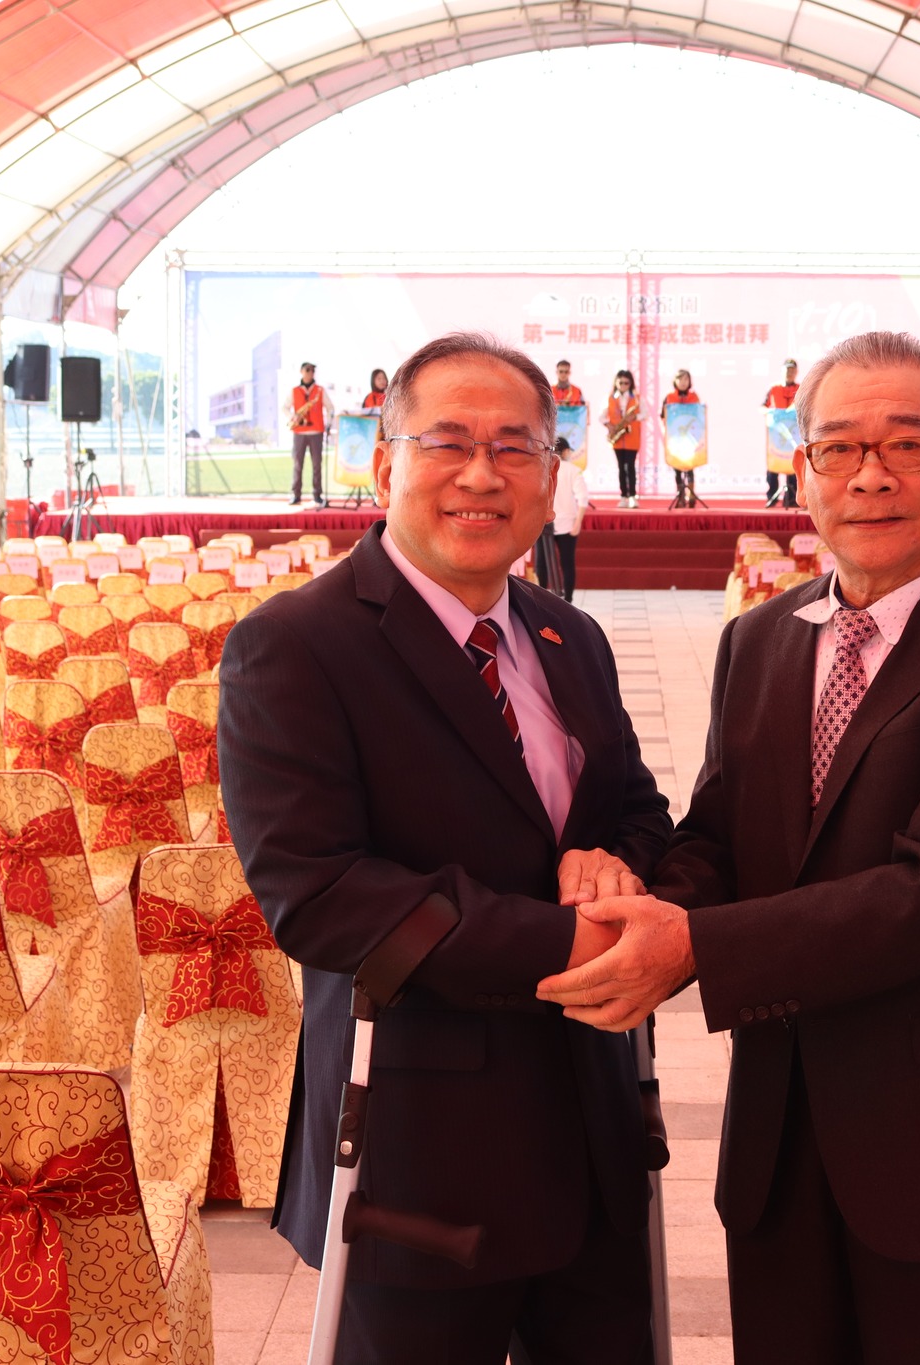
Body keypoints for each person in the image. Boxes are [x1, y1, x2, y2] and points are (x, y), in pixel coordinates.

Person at [538, 331, 920, 1364]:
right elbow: (720, 837)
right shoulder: (760, 640)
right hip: (782, 1144)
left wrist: (694, 947)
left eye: (906, 444)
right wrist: (632, 895)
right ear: (802, 471)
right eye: (838, 448)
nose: (870, 476)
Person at [220, 332, 673, 1362]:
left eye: (515, 447)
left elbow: (635, 812)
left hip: (593, 1137)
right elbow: (320, 893)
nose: (481, 474)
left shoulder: (568, 636)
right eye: (448, 442)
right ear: (385, 462)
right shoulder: (296, 645)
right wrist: (576, 944)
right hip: (419, 1160)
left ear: (550, 476)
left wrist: (618, 869)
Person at [549, 435, 589, 603]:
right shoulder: (573, 470)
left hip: (545, 524)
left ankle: (541, 598)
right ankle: (568, 600)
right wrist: (578, 523)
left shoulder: (543, 468)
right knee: (567, 563)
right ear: (565, 451)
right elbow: (583, 498)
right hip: (567, 524)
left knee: (543, 564)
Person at [289, 361, 328, 507]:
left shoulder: (320, 390)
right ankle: (296, 495)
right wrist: (293, 417)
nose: (310, 372)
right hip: (299, 432)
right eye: (307, 370)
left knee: (317, 464)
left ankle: (317, 495)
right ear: (301, 371)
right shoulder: (294, 391)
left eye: (312, 370)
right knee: (297, 464)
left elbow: (330, 407)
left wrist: (329, 423)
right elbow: (284, 407)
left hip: (316, 432)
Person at [763, 359, 800, 508]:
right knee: (773, 466)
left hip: (794, 435)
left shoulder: (801, 389)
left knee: (793, 465)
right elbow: (762, 407)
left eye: (792, 370)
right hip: (776, 435)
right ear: (782, 371)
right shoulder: (774, 389)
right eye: (787, 370)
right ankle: (772, 496)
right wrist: (770, 412)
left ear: (796, 372)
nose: (789, 373)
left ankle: (791, 498)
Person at [661, 369, 701, 505]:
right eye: (680, 379)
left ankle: (691, 494)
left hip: (690, 438)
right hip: (675, 438)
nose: (683, 382)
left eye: (686, 379)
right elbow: (663, 416)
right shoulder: (669, 397)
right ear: (675, 381)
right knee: (677, 467)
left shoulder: (694, 397)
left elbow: (698, 416)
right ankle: (680, 496)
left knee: (689, 466)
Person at [603, 369, 642, 509]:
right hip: (618, 437)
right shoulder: (610, 398)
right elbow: (601, 416)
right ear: (616, 383)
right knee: (621, 467)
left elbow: (645, 414)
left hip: (632, 437)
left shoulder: (637, 398)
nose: (624, 385)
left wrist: (635, 416)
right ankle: (623, 496)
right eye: (621, 383)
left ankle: (632, 496)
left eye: (627, 383)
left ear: (631, 383)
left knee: (630, 466)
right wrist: (609, 425)